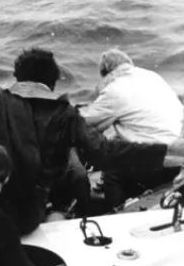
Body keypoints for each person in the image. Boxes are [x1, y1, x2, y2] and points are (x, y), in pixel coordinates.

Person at [0, 47, 184, 235]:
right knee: (64, 191)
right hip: (26, 218)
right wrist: (167, 151)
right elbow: (105, 152)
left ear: (17, 77)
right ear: (52, 82)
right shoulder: (65, 114)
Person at [79, 49, 184, 210]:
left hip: (158, 159)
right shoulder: (152, 77)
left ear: (106, 73)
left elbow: (84, 123)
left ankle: (115, 211)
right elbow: (141, 121)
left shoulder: (114, 89)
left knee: (111, 168)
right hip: (179, 154)